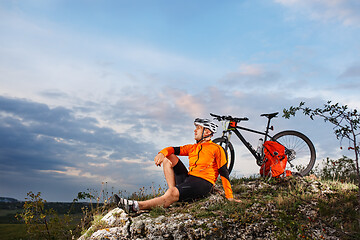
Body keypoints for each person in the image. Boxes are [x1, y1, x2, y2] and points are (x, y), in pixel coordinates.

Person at [114, 118, 241, 214]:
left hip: (203, 182)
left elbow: (224, 172)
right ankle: (172, 194)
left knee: (173, 190)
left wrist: (229, 197)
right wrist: (161, 153)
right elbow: (172, 149)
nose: (194, 130)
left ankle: (136, 206)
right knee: (169, 157)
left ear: (207, 132)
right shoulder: (192, 148)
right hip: (189, 178)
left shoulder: (217, 149)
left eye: (198, 128)